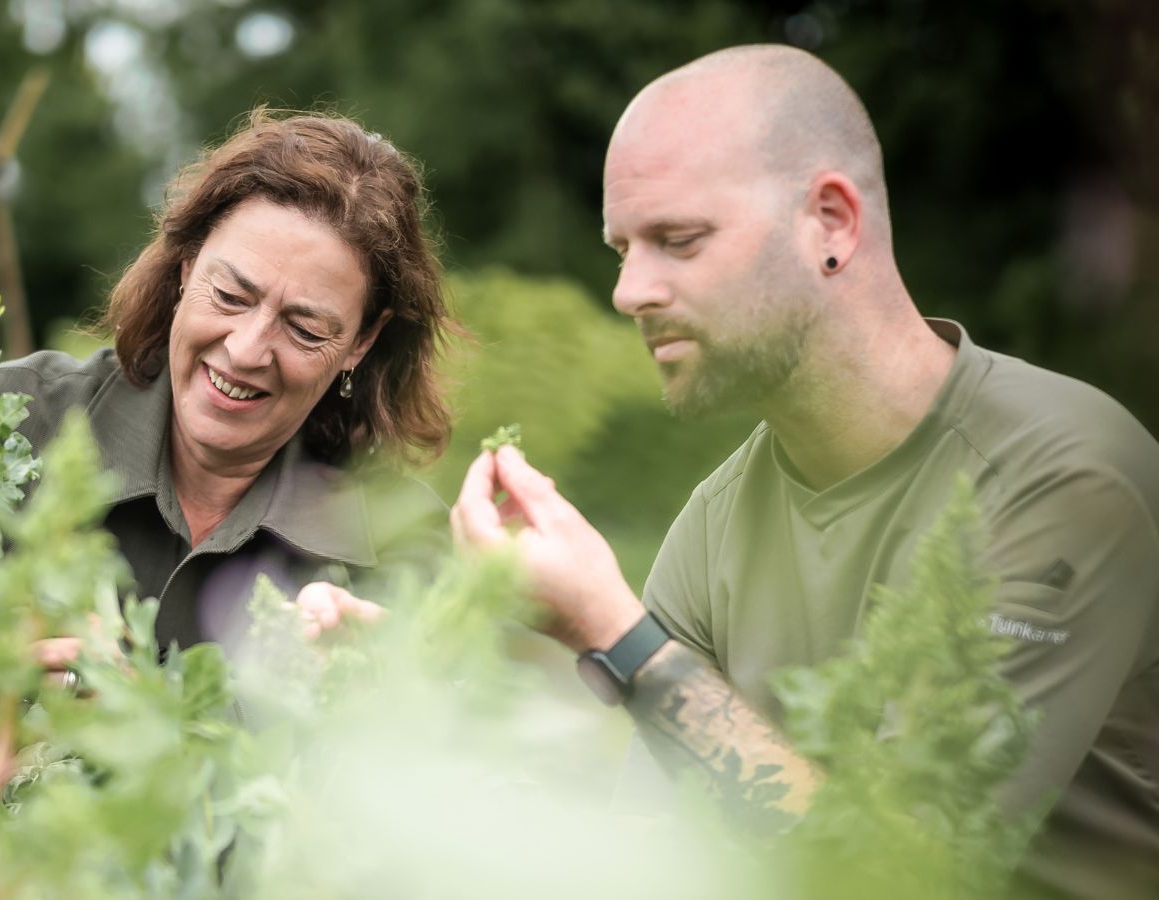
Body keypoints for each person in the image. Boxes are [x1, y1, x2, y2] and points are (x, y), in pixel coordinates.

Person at [448, 46, 1158, 898]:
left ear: (830, 223)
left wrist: (617, 632)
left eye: (678, 240)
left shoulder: (1065, 478)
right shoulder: (714, 525)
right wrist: (428, 726)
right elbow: (656, 866)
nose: (629, 290)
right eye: (622, 250)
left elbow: (909, 878)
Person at [0, 111, 452, 695]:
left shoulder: (395, 539)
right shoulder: (19, 419)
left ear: (361, 342)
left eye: (304, 328)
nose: (246, 350)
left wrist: (382, 695)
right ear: (186, 268)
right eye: (230, 295)